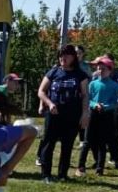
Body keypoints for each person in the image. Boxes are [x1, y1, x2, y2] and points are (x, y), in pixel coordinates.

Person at [37, 44, 90, 183]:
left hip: (72, 114)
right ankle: (46, 174)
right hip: (53, 113)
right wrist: (49, 103)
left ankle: (62, 174)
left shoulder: (80, 75)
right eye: (61, 55)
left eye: (66, 55)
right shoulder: (53, 72)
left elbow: (85, 95)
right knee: (49, 143)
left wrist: (85, 113)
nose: (63, 58)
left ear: (73, 57)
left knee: (67, 145)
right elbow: (41, 91)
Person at [76, 58, 118, 175]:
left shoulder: (114, 85)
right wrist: (95, 104)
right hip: (93, 114)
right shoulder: (93, 84)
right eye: (99, 68)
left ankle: (100, 168)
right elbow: (87, 99)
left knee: (102, 142)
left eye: (103, 69)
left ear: (110, 70)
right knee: (87, 141)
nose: (100, 70)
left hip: (106, 115)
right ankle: (81, 166)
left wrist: (105, 106)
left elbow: (116, 102)